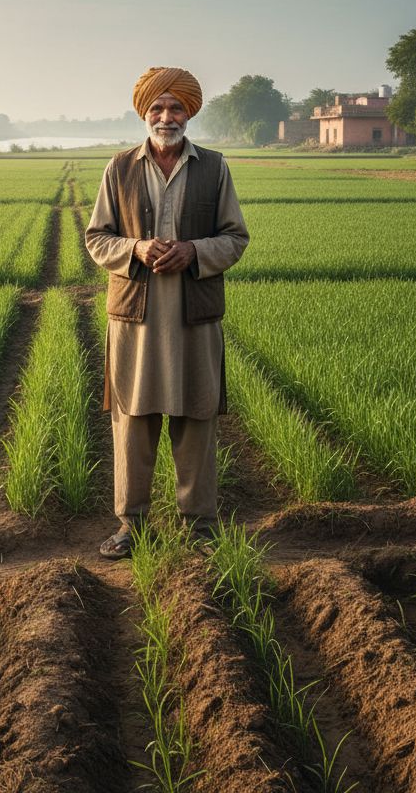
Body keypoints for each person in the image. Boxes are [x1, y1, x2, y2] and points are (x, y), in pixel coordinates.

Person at [85, 66, 249, 559]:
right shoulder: (119, 168)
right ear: (144, 113)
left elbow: (235, 237)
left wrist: (194, 252)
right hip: (135, 318)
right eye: (157, 108)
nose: (166, 116)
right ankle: (130, 524)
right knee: (132, 419)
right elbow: (97, 238)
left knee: (197, 417)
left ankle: (199, 526)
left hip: (193, 316)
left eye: (176, 107)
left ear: (189, 112)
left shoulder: (214, 167)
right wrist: (136, 249)